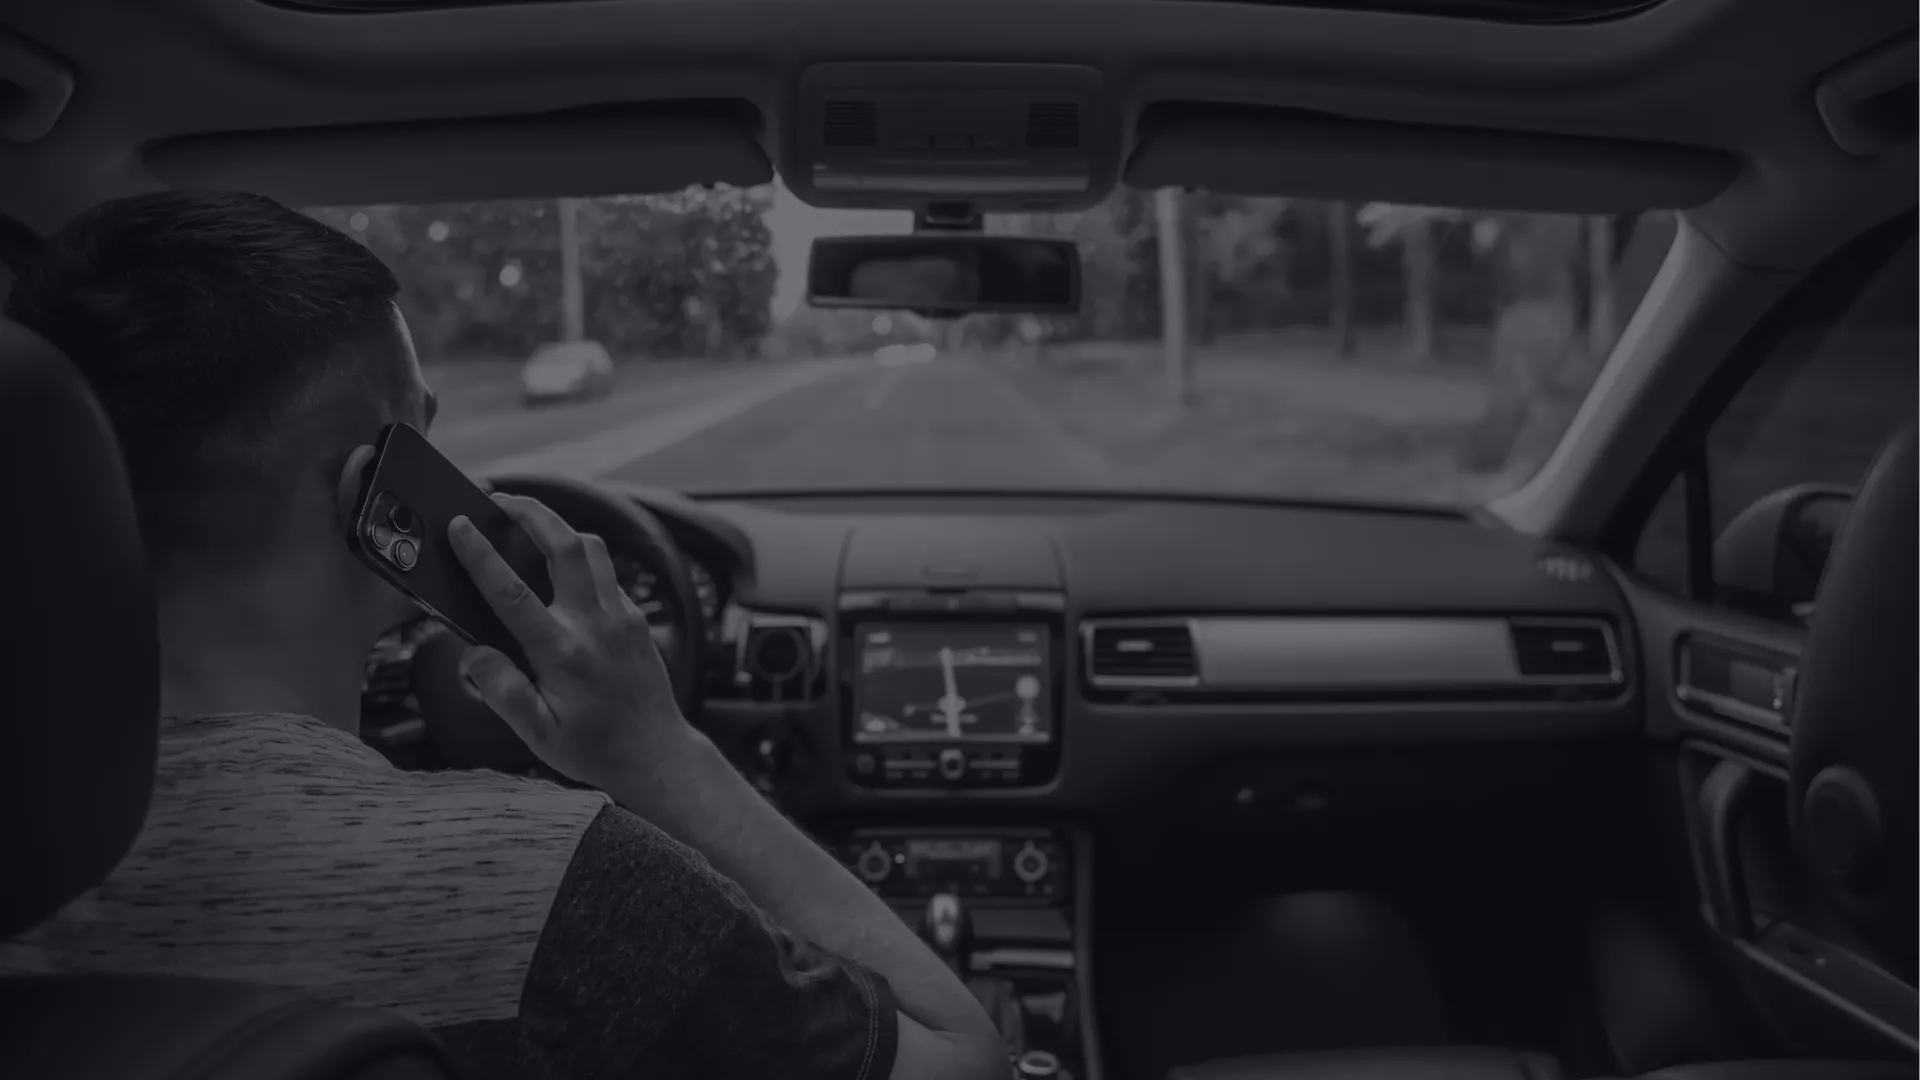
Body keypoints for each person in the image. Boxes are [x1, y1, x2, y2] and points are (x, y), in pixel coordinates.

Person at [0, 191, 1004, 1080]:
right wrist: (658, 753)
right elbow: (965, 1058)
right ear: (378, 500)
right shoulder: (552, 891)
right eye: (426, 438)